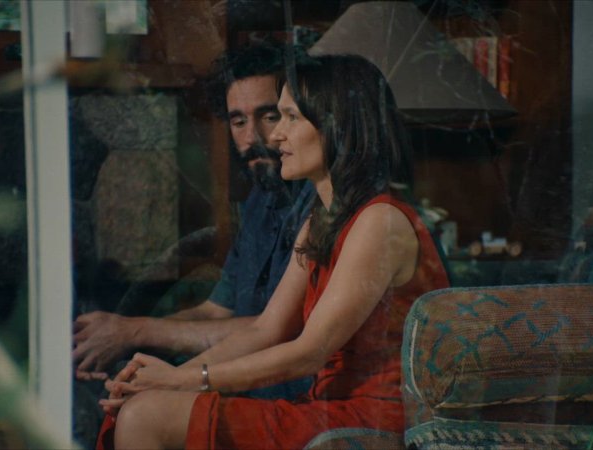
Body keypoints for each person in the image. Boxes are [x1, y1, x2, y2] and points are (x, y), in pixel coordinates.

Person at [95, 54, 451, 450]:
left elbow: (309, 353)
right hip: (327, 407)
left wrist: (181, 380)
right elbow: (266, 330)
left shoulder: (379, 221)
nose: (276, 135)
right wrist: (158, 379)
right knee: (138, 404)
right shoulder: (320, 219)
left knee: (146, 416)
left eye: (290, 118)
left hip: (374, 419)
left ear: (337, 125)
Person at [72, 42, 316, 402]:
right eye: (238, 121)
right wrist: (116, 339)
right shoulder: (260, 200)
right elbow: (216, 311)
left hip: (291, 397)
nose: (252, 138)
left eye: (269, 116)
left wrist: (136, 333)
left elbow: (277, 328)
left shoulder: (321, 204)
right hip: (235, 387)